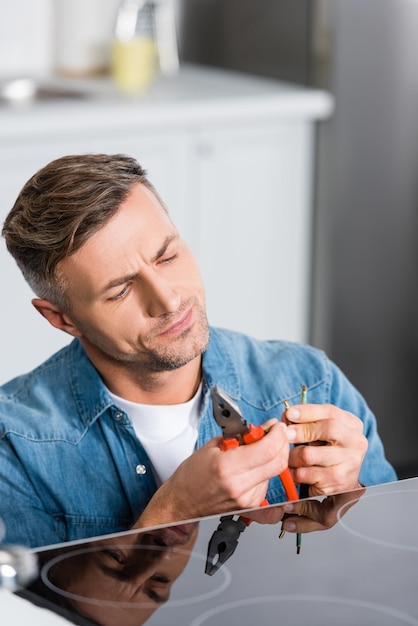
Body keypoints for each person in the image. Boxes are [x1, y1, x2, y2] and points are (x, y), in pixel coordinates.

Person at [0, 153, 396, 549]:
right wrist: (174, 511)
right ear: (61, 318)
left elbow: (395, 564)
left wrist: (353, 498)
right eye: (121, 290)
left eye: (167, 256)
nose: (169, 300)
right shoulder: (13, 446)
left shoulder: (311, 379)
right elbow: (30, 610)